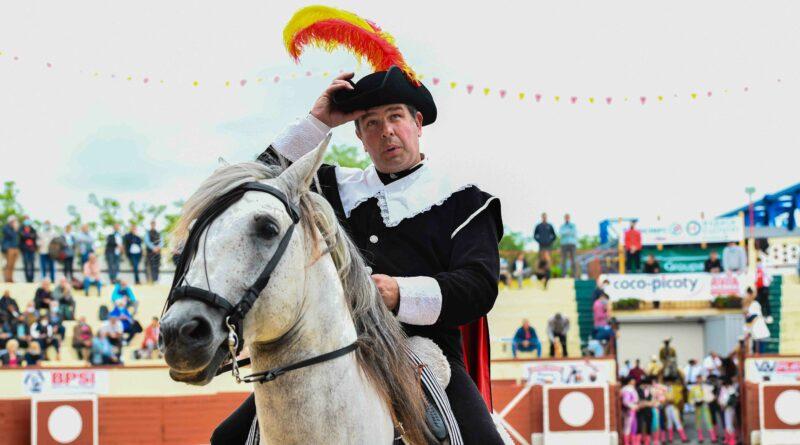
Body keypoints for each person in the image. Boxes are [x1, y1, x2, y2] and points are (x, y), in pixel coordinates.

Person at [216, 69, 506, 444]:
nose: (385, 130)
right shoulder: (328, 186)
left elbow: (478, 287)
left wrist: (399, 294)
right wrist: (317, 122)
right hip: (320, 347)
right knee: (227, 439)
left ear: (418, 123)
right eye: (370, 122)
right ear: (358, 135)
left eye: (395, 117)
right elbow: (256, 184)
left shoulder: (465, 200)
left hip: (420, 349)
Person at [688, 374, 718, 443]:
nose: (699, 380)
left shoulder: (706, 387)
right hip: (698, 407)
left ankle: (713, 437)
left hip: (705, 406)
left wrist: (706, 400)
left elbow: (712, 397)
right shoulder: (693, 388)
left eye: (700, 379)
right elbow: (690, 399)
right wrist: (695, 403)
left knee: (708, 421)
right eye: (698, 379)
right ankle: (700, 437)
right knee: (698, 422)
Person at [744, 287, 770, 354]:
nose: (746, 297)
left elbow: (755, 317)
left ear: (750, 295)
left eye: (747, 295)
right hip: (753, 329)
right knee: (754, 348)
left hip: (758, 328)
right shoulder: (747, 305)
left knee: (760, 350)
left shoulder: (755, 304)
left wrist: (749, 328)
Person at [717, 377, 738, 445]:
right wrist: (721, 404)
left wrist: (725, 405)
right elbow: (720, 397)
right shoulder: (723, 388)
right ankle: (728, 438)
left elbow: (732, 401)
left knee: (730, 424)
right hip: (724, 408)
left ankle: (732, 440)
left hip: (730, 409)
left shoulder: (732, 389)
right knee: (726, 423)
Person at [620, 376, 640, 445]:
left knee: (632, 427)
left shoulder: (629, 388)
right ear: (629, 381)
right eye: (633, 380)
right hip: (628, 411)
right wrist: (633, 406)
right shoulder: (627, 389)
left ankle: (631, 442)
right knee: (627, 428)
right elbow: (625, 401)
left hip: (631, 410)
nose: (634, 381)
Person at [19, 217, 38, 283]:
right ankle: (27, 279)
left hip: (32, 250)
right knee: (26, 264)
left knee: (32, 264)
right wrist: (30, 236)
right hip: (24, 250)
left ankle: (31, 279)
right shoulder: (21, 229)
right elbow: (22, 236)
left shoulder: (33, 229)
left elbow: (34, 236)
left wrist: (27, 235)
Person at [559, 214, 578, 278]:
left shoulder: (573, 225)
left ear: (569, 218)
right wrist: (569, 231)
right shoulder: (562, 226)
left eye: (568, 217)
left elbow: (574, 232)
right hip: (564, 244)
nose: (567, 218)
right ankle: (563, 275)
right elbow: (561, 233)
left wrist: (566, 232)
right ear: (564, 218)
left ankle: (574, 275)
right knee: (563, 260)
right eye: (566, 217)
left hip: (572, 244)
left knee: (574, 260)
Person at [2, 216, 20, 282]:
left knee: (13, 265)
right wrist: (15, 229)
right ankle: (7, 278)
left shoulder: (15, 228)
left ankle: (10, 278)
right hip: (9, 248)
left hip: (15, 248)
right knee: (9, 264)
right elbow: (12, 235)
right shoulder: (6, 228)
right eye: (14, 221)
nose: (15, 222)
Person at [755, 257, 773, 322]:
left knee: (766, 301)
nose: (758, 263)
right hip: (758, 287)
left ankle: (769, 315)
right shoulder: (756, 269)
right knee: (761, 302)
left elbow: (770, 277)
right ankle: (763, 315)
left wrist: (767, 283)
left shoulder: (765, 268)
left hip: (765, 286)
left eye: (759, 261)